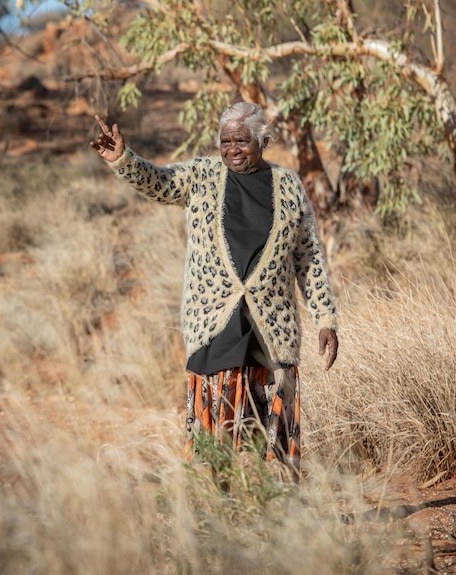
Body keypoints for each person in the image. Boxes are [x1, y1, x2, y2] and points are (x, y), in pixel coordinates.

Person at [89, 102, 339, 480]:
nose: (232, 150)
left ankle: (277, 513)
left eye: (242, 140)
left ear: (262, 140)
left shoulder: (288, 186)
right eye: (225, 141)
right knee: (213, 433)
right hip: (215, 324)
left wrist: (325, 318)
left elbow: (309, 257)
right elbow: (161, 183)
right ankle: (214, 509)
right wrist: (123, 159)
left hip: (270, 328)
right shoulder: (203, 175)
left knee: (272, 436)